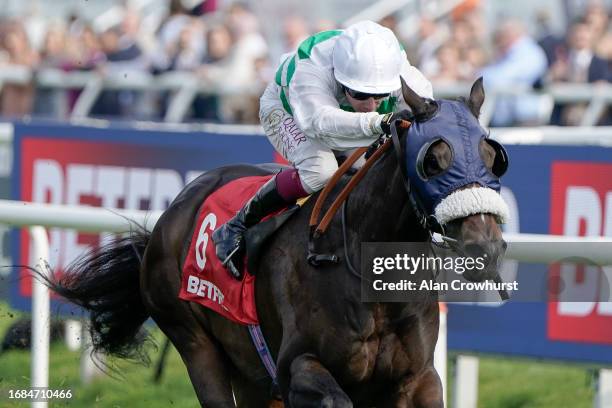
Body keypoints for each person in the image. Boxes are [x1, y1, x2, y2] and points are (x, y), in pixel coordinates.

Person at [213, 20, 433, 278]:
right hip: (289, 113)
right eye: (361, 94)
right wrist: (380, 120)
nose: (371, 104)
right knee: (319, 171)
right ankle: (237, 225)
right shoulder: (312, 67)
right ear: (340, 78)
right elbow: (319, 123)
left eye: (380, 95)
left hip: (342, 120)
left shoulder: (395, 65)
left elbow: (427, 106)